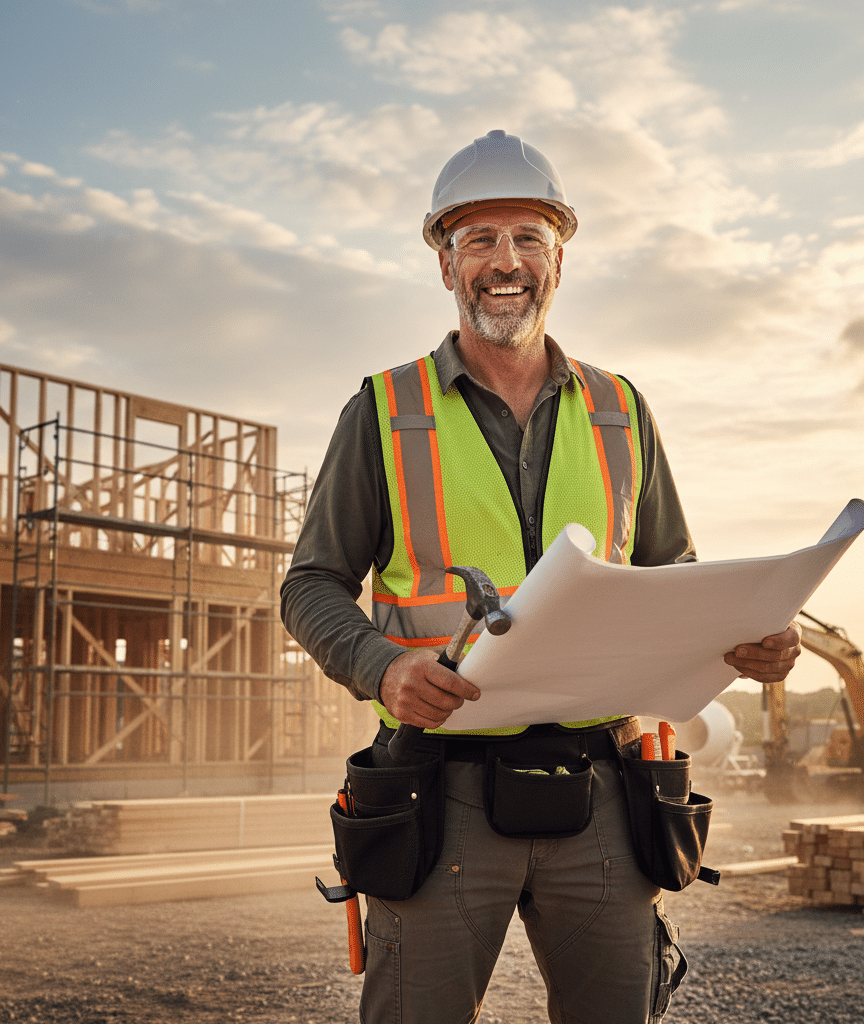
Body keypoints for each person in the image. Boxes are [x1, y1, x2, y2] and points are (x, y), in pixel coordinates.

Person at [281, 129, 801, 1024]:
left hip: (602, 787)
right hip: (439, 790)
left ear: (559, 261)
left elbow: (673, 573)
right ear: (445, 265)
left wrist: (748, 634)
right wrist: (383, 667)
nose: (504, 262)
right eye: (478, 240)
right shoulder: (383, 410)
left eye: (527, 238)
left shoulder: (621, 409)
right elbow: (311, 585)